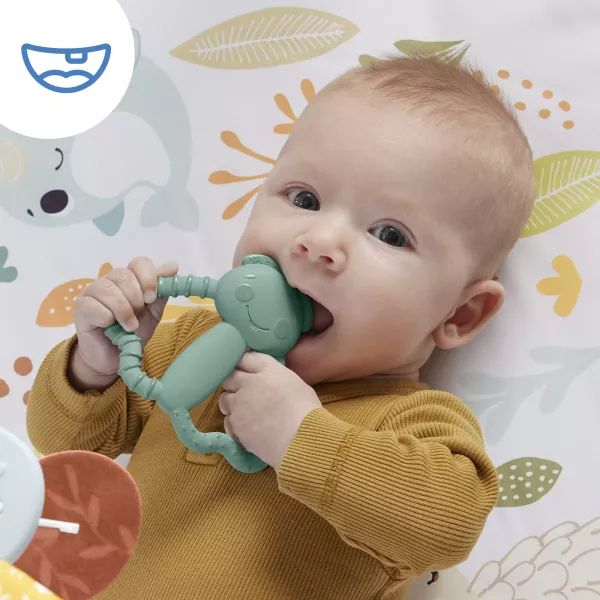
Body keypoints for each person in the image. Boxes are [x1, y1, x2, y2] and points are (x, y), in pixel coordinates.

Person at [27, 56, 535, 599]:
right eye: (304, 199)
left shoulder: (411, 422)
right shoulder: (188, 341)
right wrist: (95, 366)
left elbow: (444, 529)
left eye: (389, 234)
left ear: (459, 314)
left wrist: (301, 437)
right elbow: (62, 445)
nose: (317, 242)